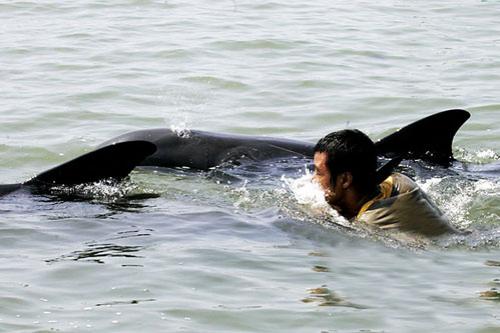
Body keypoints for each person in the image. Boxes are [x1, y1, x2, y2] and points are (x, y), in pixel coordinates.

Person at [312, 129, 457, 236]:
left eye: (318, 172)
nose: (313, 179)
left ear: (345, 180)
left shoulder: (371, 224)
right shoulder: (398, 180)